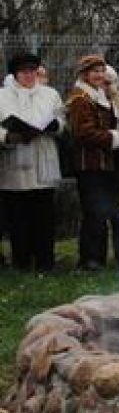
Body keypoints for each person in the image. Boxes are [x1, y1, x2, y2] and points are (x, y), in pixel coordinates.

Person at [0, 52, 66, 271]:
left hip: (43, 156)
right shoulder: (3, 96)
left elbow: (60, 118)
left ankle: (45, 261)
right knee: (18, 217)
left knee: (44, 216)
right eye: (23, 71)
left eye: (32, 71)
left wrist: (55, 125)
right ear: (15, 74)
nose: (29, 75)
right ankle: (21, 261)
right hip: (15, 160)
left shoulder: (50, 94)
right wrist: (8, 136)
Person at [66, 55, 119, 270]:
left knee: (103, 212)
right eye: (94, 71)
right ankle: (90, 260)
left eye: (102, 71)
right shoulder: (81, 98)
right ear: (84, 74)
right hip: (89, 165)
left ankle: (97, 258)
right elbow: (83, 133)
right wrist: (115, 138)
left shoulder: (100, 95)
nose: (99, 75)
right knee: (94, 214)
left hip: (104, 164)